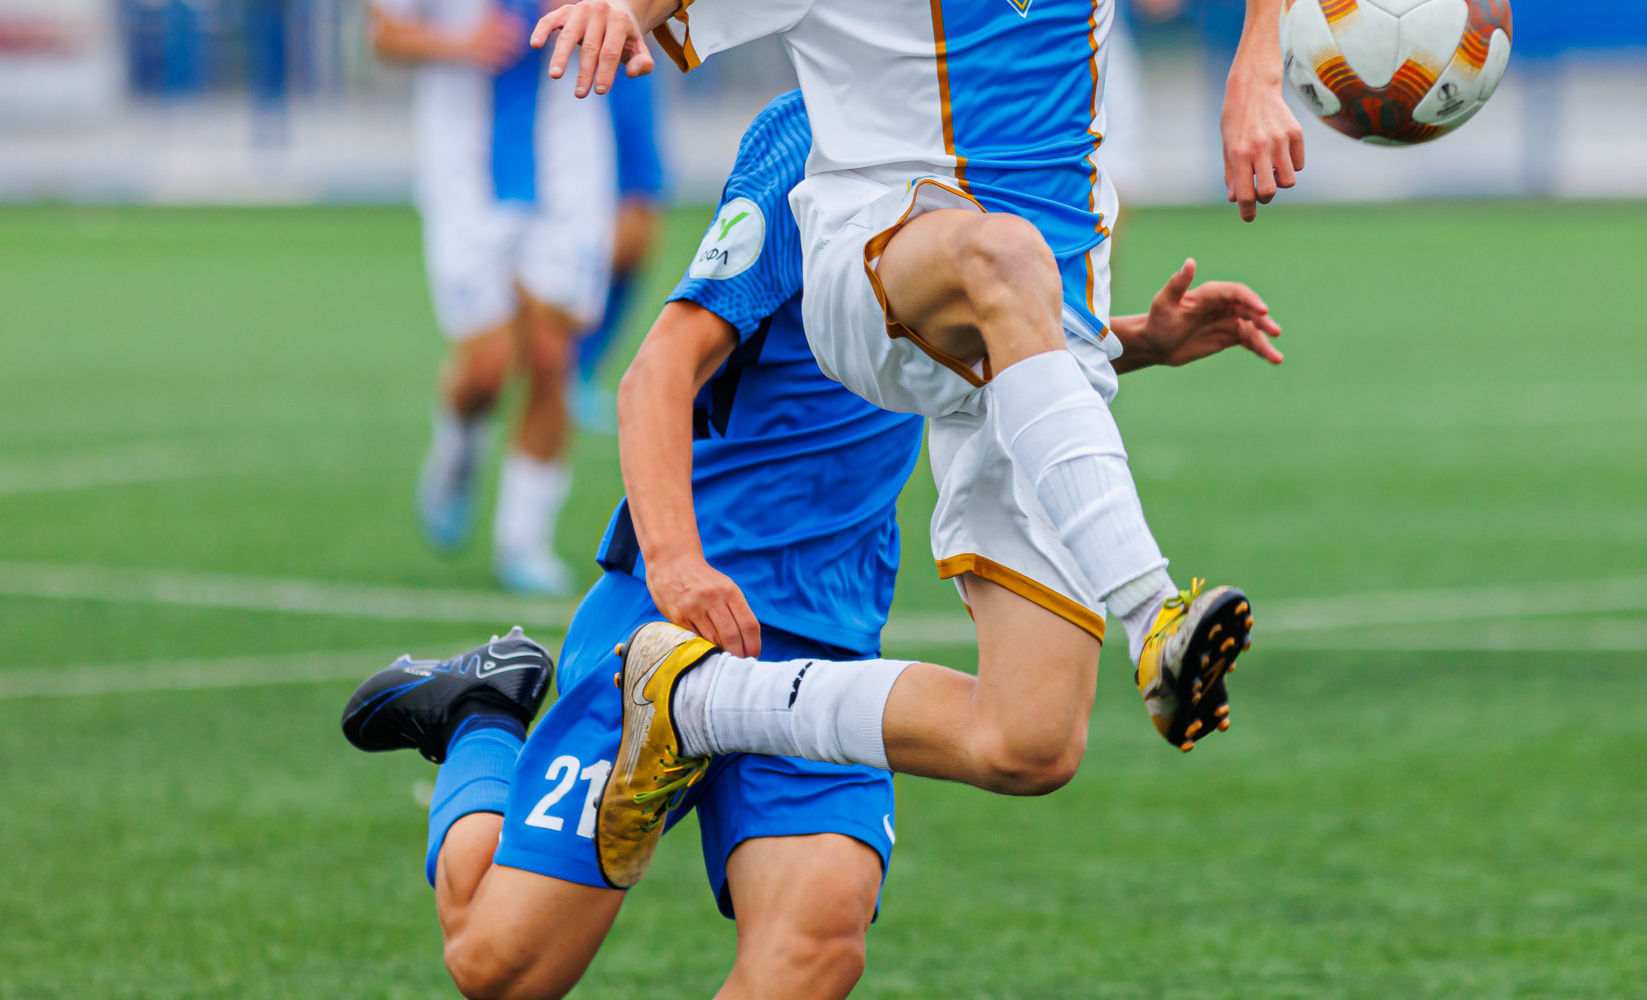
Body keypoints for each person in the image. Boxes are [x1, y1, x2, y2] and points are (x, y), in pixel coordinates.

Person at [527, 0, 1318, 873]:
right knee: (1005, 252)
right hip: (869, 264)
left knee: (1028, 739)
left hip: (1026, 325)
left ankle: (693, 699)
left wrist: (1254, 73)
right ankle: (1156, 607)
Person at [340, 89, 1282, 1000]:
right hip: (672, 625)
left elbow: (993, 340)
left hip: (827, 651)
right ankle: (482, 712)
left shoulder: (999, 134)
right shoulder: (812, 138)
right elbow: (656, 373)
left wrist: (1132, 343)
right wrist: (676, 568)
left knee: (817, 946)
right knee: (501, 967)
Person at [363, 0, 646, 596]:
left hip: (570, 164)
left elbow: (648, 26)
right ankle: (455, 449)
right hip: (464, 169)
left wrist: (603, 21)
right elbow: (380, 26)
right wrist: (457, 40)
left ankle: (525, 540)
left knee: (555, 357)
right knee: (487, 367)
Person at [571, 0, 712, 432]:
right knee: (594, 233)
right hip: (581, 88)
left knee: (639, 231)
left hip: (641, 92)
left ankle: (579, 365)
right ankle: (565, 358)